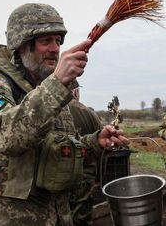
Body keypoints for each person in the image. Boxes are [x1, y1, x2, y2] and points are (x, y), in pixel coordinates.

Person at [0, 3, 128, 225]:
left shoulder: (48, 91)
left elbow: (57, 149)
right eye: (45, 41)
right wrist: (57, 83)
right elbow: (6, 138)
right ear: (22, 46)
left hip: (58, 216)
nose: (55, 48)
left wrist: (95, 142)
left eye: (58, 41)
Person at [68, 85, 103, 226]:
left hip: (53, 177)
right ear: (76, 91)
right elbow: (100, 146)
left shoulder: (48, 107)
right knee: (80, 218)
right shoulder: (88, 112)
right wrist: (99, 178)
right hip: (83, 177)